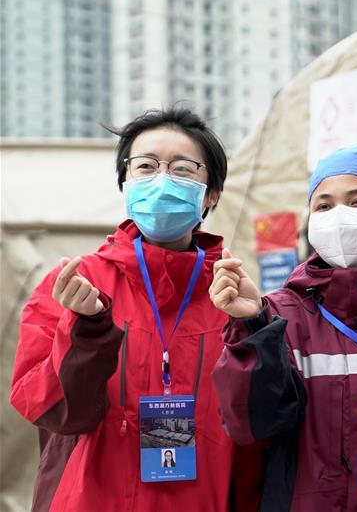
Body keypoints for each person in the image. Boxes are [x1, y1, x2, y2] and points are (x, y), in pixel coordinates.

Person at [9, 108, 262, 512]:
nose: (161, 180)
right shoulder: (77, 283)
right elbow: (50, 409)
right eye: (145, 166)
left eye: (182, 169)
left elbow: (260, 425)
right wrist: (86, 329)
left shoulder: (232, 293)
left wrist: (255, 323)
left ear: (211, 193)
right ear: (125, 183)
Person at [210, 146, 357, 511]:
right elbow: (249, 425)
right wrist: (251, 325)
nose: (338, 216)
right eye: (323, 206)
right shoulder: (279, 316)